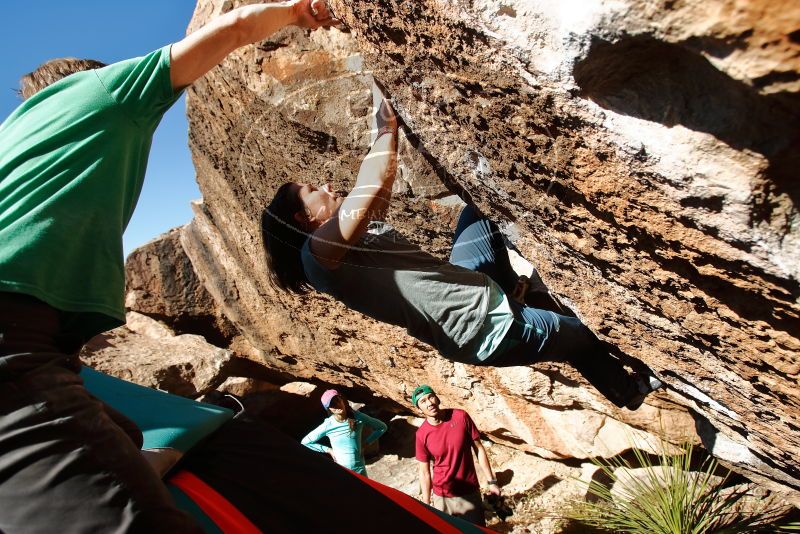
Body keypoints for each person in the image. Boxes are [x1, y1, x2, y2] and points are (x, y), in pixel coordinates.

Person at [0, 1, 337, 531]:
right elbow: (234, 29)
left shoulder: (11, 136)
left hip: (41, 348)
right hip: (13, 341)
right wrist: (299, 11)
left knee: (126, 437)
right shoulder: (103, 92)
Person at [260, 83, 662, 411]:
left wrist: (380, 90)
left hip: (473, 283)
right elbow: (372, 180)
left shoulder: (348, 237)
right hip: (484, 328)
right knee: (579, 333)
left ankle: (517, 287)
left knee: (477, 208)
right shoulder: (315, 256)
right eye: (314, 191)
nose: (327, 187)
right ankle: (626, 390)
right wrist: (387, 130)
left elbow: (378, 186)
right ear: (303, 219)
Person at [413, 385, 498, 526]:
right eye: (422, 401)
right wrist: (426, 504)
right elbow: (424, 472)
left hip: (469, 491)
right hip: (442, 496)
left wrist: (492, 482)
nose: (429, 403)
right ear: (419, 409)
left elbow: (479, 449)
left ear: (437, 398)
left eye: (430, 397)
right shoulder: (422, 434)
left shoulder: (460, 416)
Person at [300, 389, 388, 477]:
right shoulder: (328, 425)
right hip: (342, 471)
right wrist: (328, 450)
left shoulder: (358, 417)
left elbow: (382, 427)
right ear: (329, 409)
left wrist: (365, 444)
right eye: (332, 404)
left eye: (337, 400)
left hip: (359, 469)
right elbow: (305, 442)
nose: (337, 405)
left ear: (342, 399)